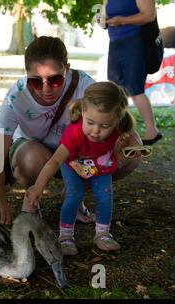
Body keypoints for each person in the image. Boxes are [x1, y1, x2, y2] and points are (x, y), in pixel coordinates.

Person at [0, 36, 142, 226]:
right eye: (36, 81)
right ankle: (33, 200)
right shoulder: (16, 96)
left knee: (131, 154)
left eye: (55, 80)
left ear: (67, 69)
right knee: (33, 157)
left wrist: (131, 142)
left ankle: (73, 195)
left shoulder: (84, 85)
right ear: (26, 75)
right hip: (32, 153)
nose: (46, 89)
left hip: (74, 154)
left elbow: (119, 121)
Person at [26, 81, 143, 255]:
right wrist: (38, 187)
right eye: (90, 122)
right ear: (82, 112)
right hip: (73, 165)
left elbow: (134, 139)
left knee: (105, 196)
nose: (96, 131)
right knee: (74, 196)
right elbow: (55, 160)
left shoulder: (120, 125)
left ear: (117, 120)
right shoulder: (75, 134)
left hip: (100, 166)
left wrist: (135, 148)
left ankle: (102, 233)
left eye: (105, 126)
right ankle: (65, 237)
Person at [102, 0, 162, 145]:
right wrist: (102, 20)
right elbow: (104, 15)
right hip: (115, 42)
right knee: (115, 90)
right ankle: (118, 131)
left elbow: (149, 15)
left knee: (134, 89)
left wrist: (122, 20)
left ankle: (151, 132)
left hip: (135, 41)